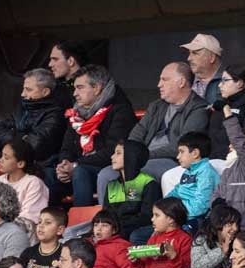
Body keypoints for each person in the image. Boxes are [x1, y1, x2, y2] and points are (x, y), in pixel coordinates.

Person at [107, 61, 208, 198]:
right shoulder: (156, 106)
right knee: (106, 174)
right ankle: (110, 216)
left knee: (138, 172)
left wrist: (141, 157)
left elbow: (182, 146)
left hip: (173, 160)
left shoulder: (198, 108)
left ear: (181, 82)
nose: (159, 84)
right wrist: (130, 154)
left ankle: (131, 213)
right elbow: (138, 132)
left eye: (165, 80)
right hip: (143, 158)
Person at [55, 65, 139, 207]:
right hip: (79, 167)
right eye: (74, 88)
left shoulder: (120, 110)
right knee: (48, 176)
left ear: (97, 88)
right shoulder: (77, 112)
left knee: (80, 172)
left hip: (107, 167)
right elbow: (66, 147)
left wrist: (75, 165)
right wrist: (64, 164)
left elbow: (112, 151)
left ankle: (82, 224)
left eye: (80, 87)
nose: (75, 93)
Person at [0, 68, 68, 164]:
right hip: (13, 159)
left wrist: (13, 136)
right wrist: (21, 138)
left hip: (39, 166)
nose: (23, 94)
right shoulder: (24, 106)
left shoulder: (56, 115)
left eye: (28, 90)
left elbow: (34, 146)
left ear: (45, 92)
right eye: (24, 89)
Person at [102, 141, 160, 240]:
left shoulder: (148, 183)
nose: (112, 157)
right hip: (114, 229)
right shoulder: (112, 185)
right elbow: (106, 214)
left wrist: (118, 225)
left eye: (118, 153)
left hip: (133, 230)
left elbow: (147, 217)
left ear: (131, 156)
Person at [209, 63, 245, 158]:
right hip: (212, 159)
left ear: (240, 83)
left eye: (225, 81)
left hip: (237, 160)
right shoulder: (222, 104)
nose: (219, 85)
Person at [164, 132, 220, 227]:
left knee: (138, 236)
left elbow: (201, 206)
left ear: (195, 153)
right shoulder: (188, 171)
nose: (178, 156)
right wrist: (163, 206)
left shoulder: (206, 172)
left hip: (196, 221)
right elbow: (177, 191)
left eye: (181, 152)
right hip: (181, 216)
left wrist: (175, 211)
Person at [0, 138, 50, 225]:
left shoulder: (33, 183)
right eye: (1, 155)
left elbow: (29, 218)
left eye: (6, 157)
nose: (0, 160)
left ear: (20, 164)